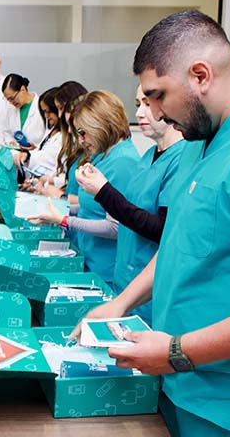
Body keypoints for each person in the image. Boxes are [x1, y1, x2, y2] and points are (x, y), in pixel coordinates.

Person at [77, 10, 230, 437]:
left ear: (200, 75)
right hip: (182, 383)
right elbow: (179, 246)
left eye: (158, 95)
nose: (152, 111)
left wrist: (177, 351)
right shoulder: (199, 141)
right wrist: (121, 304)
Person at [75, 85, 186, 324]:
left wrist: (103, 191)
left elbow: (161, 230)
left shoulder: (180, 160)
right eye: (138, 105)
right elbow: (127, 213)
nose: (139, 114)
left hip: (148, 292)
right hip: (124, 280)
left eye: (147, 104)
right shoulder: (149, 157)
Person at [28, 90, 139, 285]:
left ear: (102, 124)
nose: (80, 141)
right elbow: (92, 208)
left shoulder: (123, 162)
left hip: (107, 268)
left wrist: (64, 220)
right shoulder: (103, 157)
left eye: (83, 133)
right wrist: (58, 210)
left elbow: (115, 227)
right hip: (91, 258)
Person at [14, 87, 61, 179]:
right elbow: (45, 152)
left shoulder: (65, 135)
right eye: (44, 112)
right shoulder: (51, 129)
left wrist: (28, 155)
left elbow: (51, 157)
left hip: (52, 181)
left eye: (49, 111)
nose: (46, 116)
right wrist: (35, 149)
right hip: (40, 180)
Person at [0, 73, 45, 150]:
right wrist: (11, 142)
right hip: (16, 157)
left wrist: (36, 148)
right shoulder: (10, 109)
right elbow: (6, 132)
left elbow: (50, 138)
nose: (11, 102)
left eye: (12, 98)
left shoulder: (42, 108)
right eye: (8, 100)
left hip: (37, 157)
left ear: (23, 89)